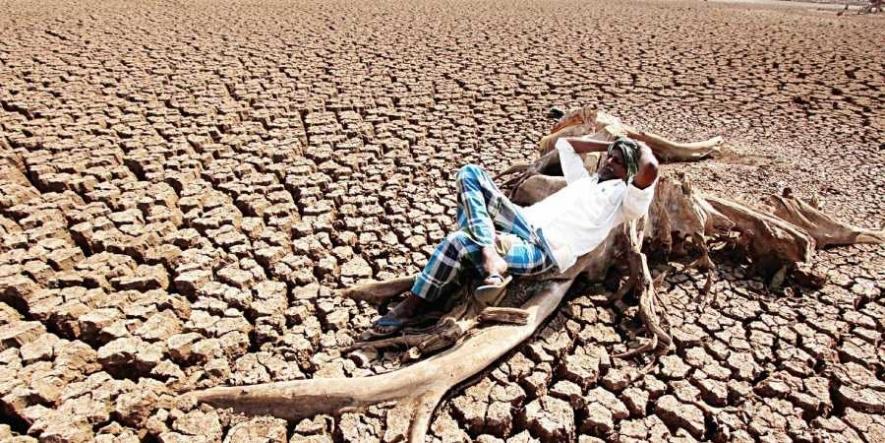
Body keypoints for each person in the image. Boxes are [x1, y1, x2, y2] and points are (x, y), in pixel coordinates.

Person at [367, 135, 659, 337]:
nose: (609, 162)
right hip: (523, 222)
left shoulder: (624, 202)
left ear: (629, 172)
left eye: (619, 162)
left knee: (458, 242)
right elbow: (565, 144)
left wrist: (641, 145)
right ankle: (489, 251)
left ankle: (412, 305)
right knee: (470, 173)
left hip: (544, 249)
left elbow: (650, 168)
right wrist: (612, 143)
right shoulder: (583, 182)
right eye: (610, 158)